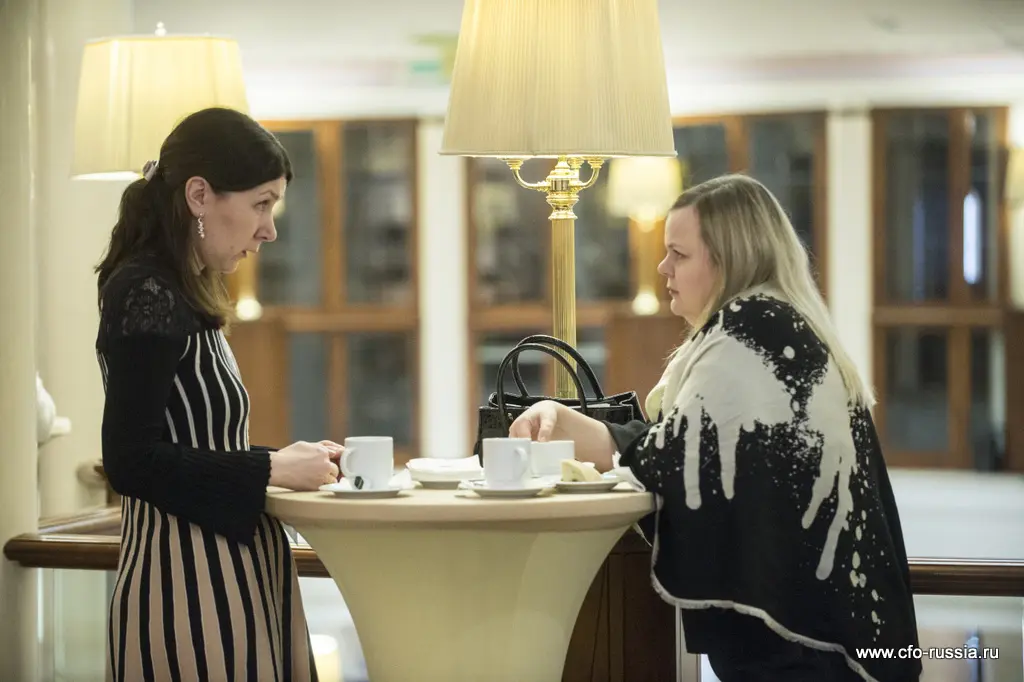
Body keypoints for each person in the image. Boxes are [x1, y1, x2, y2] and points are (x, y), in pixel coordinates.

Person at [510, 174, 921, 682]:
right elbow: (675, 448)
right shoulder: (779, 323)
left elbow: (672, 460)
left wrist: (593, 435)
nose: (663, 268)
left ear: (728, 261)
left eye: (679, 254)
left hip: (801, 653)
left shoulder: (749, 331)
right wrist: (566, 420)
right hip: (829, 636)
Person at [96, 107, 338, 682]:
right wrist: (272, 468)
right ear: (199, 195)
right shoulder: (146, 291)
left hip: (230, 575)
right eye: (261, 204)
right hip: (186, 588)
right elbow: (130, 460)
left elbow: (197, 443)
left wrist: (288, 461)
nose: (269, 229)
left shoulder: (181, 292)